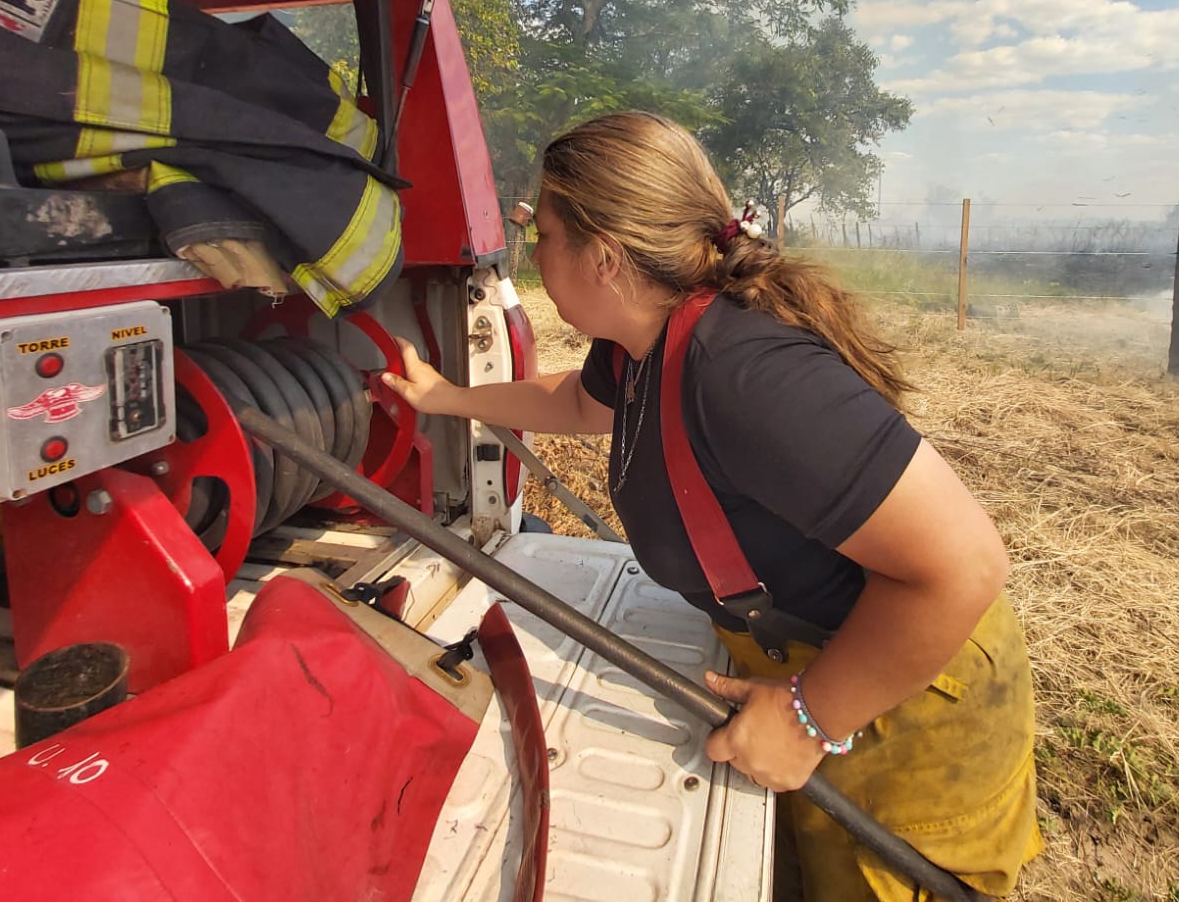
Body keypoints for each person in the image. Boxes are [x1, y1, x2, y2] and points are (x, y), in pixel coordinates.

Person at [382, 112, 1042, 900]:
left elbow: (964, 567)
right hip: (812, 673)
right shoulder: (642, 344)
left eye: (545, 234)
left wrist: (810, 719)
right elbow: (580, 401)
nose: (533, 253)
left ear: (604, 258)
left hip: (904, 691)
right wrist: (448, 396)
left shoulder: (744, 372)